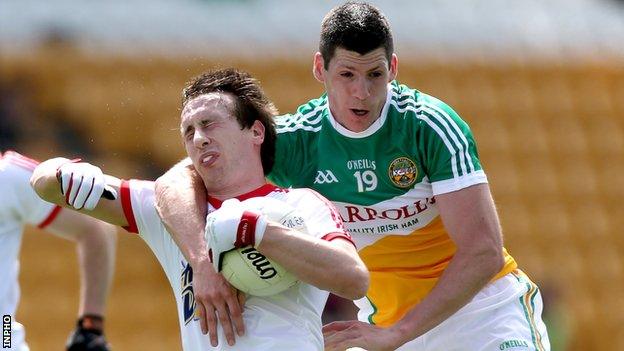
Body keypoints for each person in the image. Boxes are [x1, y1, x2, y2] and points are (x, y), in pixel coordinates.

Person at [154, 2, 551, 350]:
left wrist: (399, 333)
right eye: (347, 75)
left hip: (482, 313)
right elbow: (175, 182)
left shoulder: (428, 126)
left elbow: (483, 252)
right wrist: (202, 263)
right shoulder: (296, 141)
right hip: (386, 326)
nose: (361, 92)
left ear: (393, 68)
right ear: (319, 68)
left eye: (375, 75)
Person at [30, 68, 369, 351]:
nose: (199, 138)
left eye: (210, 124)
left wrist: (256, 230)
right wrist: (64, 172)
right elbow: (44, 183)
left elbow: (353, 279)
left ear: (255, 131)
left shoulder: (301, 204)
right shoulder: (169, 212)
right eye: (188, 132)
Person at [0, 150, 116, 351]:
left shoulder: (6, 177)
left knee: (5, 334)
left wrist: (90, 326)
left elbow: (95, 229)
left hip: (5, 339)